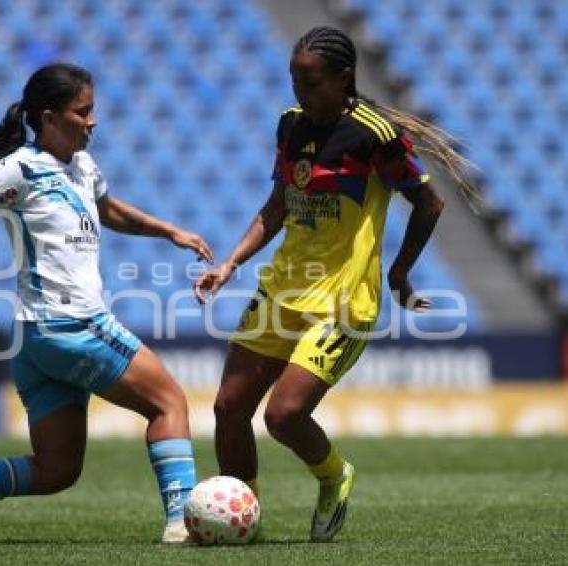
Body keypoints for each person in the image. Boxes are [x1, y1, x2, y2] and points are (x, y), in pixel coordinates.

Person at [0, 63, 214, 545]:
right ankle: (182, 524)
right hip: (70, 323)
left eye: (92, 110)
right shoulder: (20, 169)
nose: (93, 121)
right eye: (82, 112)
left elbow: (109, 210)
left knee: (57, 469)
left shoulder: (82, 165)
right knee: (169, 402)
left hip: (35, 340)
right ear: (49, 118)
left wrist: (168, 231)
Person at [194, 26, 475, 542]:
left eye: (311, 81)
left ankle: (334, 475)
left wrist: (399, 273)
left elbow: (430, 202)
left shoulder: (374, 134)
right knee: (228, 408)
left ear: (344, 77)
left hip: (343, 302)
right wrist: (230, 262)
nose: (300, 91)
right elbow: (277, 206)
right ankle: (243, 521)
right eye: (294, 79)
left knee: (283, 416)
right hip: (283, 288)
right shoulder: (290, 125)